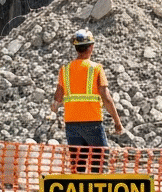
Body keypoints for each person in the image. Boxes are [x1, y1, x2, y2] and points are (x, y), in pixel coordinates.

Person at [51, 29, 124, 173]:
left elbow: (58, 97)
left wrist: (54, 108)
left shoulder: (65, 70)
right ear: (91, 47)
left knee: (78, 166)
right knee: (99, 164)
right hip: (92, 123)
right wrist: (117, 122)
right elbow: (106, 97)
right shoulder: (96, 68)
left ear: (76, 48)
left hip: (71, 124)